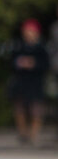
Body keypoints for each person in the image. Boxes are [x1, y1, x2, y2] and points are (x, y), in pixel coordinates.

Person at [10, 18, 49, 146]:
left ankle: (33, 135)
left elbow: (46, 65)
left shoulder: (41, 49)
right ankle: (23, 134)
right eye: (27, 31)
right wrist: (20, 63)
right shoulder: (19, 47)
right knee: (20, 108)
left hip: (36, 83)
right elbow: (12, 63)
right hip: (22, 82)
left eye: (31, 31)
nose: (29, 34)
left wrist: (33, 64)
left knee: (36, 109)